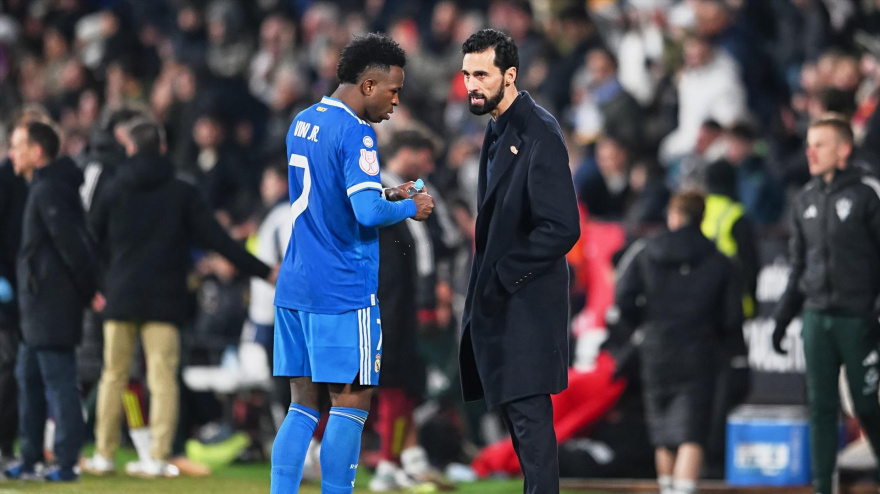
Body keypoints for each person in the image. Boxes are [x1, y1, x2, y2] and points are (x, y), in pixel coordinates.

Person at [270, 33, 434, 494]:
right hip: (342, 289)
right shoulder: (357, 131)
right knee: (351, 404)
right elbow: (363, 215)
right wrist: (410, 207)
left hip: (296, 284)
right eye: (392, 90)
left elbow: (333, 200)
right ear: (367, 85)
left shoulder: (303, 121)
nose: (396, 101)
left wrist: (388, 193)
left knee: (302, 406)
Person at [82, 118, 277, 478]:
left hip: (120, 296)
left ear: (129, 148)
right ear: (162, 148)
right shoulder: (181, 191)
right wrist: (265, 271)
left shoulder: (114, 188)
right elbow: (219, 240)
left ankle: (104, 454)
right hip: (165, 300)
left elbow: (88, 242)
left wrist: (93, 286)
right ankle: (157, 456)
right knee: (163, 378)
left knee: (113, 376)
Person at [458, 29, 580, 493]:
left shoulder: (538, 133)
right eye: (467, 74)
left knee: (530, 425)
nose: (472, 84)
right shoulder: (497, 129)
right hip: (505, 304)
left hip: (525, 305)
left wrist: (507, 276)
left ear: (509, 75)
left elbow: (563, 227)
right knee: (520, 422)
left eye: (482, 75)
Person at [772, 117, 880, 494]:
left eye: (820, 144)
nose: (810, 152)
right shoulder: (804, 200)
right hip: (817, 316)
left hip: (858, 318)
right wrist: (783, 319)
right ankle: (823, 488)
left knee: (867, 406)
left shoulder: (868, 195)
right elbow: (799, 266)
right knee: (820, 408)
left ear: (844, 150)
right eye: (809, 144)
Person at [614, 191, 745, 494]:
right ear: (701, 217)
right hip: (699, 350)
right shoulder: (719, 260)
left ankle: (667, 489)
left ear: (673, 216)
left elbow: (623, 298)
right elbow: (732, 316)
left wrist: (643, 324)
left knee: (664, 433)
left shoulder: (646, 250)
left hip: (656, 349)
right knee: (691, 432)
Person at [6, 121, 98, 482]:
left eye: (17, 146)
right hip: (37, 306)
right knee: (27, 378)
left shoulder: (50, 190)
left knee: (59, 382)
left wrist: (89, 290)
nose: (12, 153)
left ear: (37, 151)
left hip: (51, 305)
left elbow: (73, 245)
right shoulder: (44, 187)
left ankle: (66, 462)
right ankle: (30, 459)